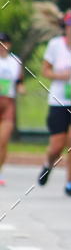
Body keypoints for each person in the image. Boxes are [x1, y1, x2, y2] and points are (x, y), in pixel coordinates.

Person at [38, 12, 71, 196]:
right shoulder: (55, 45)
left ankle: (69, 182)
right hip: (59, 101)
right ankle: (48, 164)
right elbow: (45, 70)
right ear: (65, 27)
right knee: (56, 146)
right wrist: (62, 76)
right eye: (70, 26)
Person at [0, 32, 25, 186]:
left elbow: (19, 81)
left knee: (2, 141)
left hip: (8, 103)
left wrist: (21, 88)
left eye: (4, 43)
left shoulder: (15, 61)